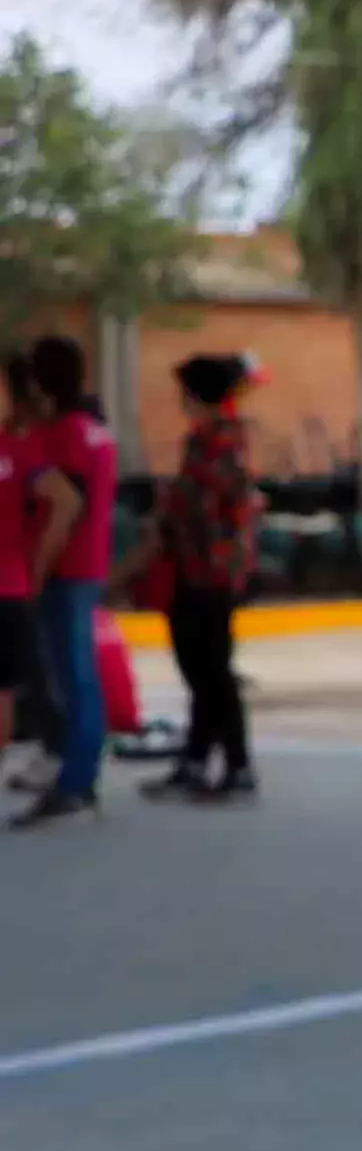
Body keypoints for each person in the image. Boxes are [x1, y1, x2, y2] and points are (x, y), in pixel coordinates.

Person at [114, 354, 261, 802]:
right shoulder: (211, 441)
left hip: (209, 572)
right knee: (200, 670)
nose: (182, 403)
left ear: (199, 398)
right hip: (199, 569)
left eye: (186, 395)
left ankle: (237, 765)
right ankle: (197, 760)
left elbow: (200, 508)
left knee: (212, 671)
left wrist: (161, 521)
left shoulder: (219, 446)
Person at [11, 336, 112, 829]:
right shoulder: (94, 430)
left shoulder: (62, 435)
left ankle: (76, 785)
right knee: (79, 676)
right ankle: (77, 778)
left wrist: (36, 572)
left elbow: (63, 510)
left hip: (65, 570)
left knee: (73, 678)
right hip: (86, 566)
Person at [1, 351, 65, 792]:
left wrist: (38, 564)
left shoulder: (19, 450)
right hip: (13, 583)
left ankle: (59, 750)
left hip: (9, 585)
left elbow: (65, 501)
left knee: (20, 679)